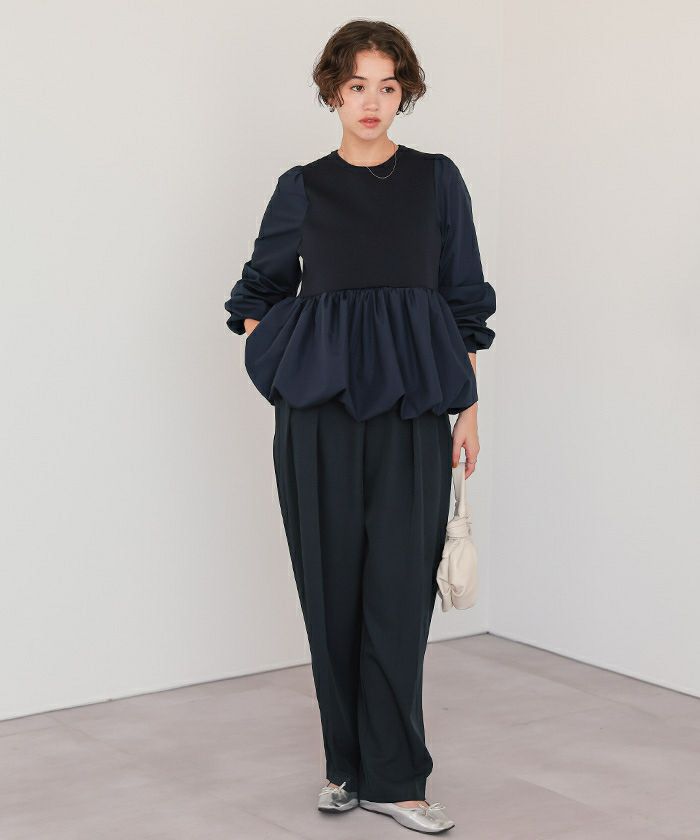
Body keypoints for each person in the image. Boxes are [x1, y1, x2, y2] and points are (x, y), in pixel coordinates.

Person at [224, 19, 496, 835]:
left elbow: (463, 300)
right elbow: (258, 293)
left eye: (387, 86)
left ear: (403, 93)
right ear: (333, 92)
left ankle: (397, 778)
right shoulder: (302, 186)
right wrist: (291, 353)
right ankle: (345, 766)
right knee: (330, 590)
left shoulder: (437, 180)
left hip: (415, 414)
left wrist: (468, 407)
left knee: (399, 596)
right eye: (356, 86)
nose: (371, 102)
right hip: (318, 422)